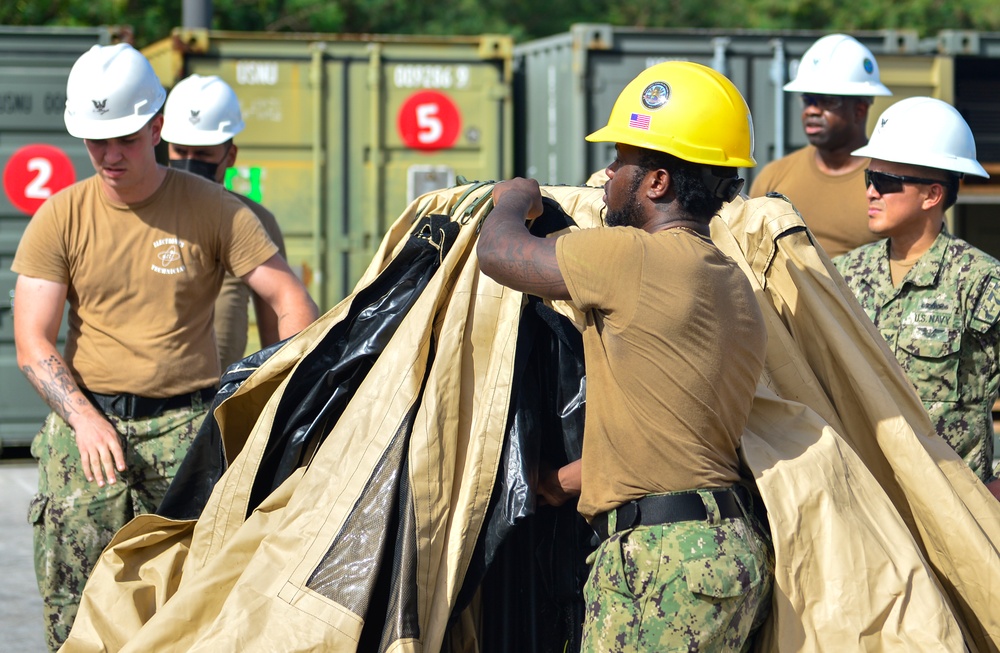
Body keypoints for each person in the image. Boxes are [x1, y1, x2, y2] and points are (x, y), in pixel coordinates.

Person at [11, 43, 319, 651]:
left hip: (187, 424)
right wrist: (82, 420)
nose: (108, 155)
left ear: (156, 126)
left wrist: (280, 399)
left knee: (194, 598)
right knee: (74, 603)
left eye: (124, 137)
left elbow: (289, 301)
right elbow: (32, 340)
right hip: (87, 425)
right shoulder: (61, 217)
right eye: (95, 140)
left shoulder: (216, 211)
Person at [478, 61, 772, 651]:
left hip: (663, 560)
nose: (606, 175)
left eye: (619, 162)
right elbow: (673, 431)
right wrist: (563, 483)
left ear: (657, 182)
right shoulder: (732, 282)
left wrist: (513, 199)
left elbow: (500, 254)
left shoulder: (633, 258)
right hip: (723, 550)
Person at [835, 97, 1000, 495]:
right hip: (867, 499)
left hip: (955, 502)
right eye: (869, 179)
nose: (872, 192)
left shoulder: (980, 282)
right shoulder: (843, 274)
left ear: (932, 195)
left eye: (887, 182)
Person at [162, 73, 288, 368]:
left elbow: (276, 332)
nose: (190, 161)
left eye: (203, 153)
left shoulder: (254, 221)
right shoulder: (145, 213)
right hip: (154, 403)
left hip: (218, 402)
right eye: (180, 151)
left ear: (230, 155)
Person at [750, 33, 892, 258]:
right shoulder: (774, 177)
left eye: (827, 101)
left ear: (860, 110)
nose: (812, 110)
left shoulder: (890, 184)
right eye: (808, 100)